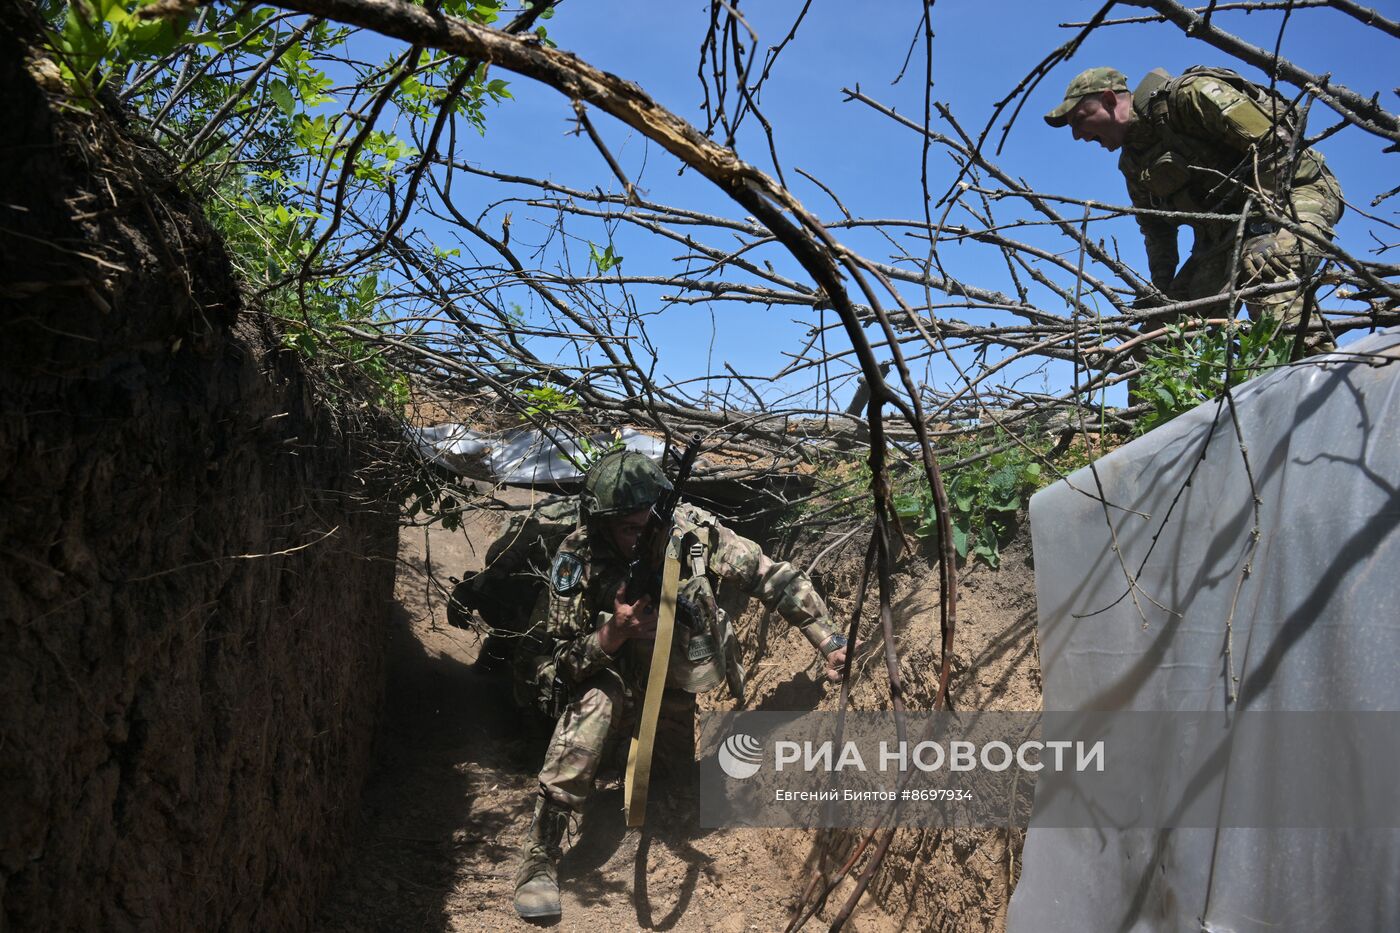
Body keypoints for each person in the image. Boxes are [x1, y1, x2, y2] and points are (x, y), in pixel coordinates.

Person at [511, 450, 851, 920]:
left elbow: (770, 577)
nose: (639, 534)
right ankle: (540, 858)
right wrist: (614, 633)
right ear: (602, 522)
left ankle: (634, 756)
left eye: (644, 523)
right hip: (599, 677)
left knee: (670, 789)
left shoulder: (692, 533)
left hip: (669, 682)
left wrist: (828, 639)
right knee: (595, 706)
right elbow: (558, 665)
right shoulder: (578, 555)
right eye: (626, 527)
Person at [1044, 66, 1344, 335]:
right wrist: (1160, 289)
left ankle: (1316, 374)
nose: (1077, 136)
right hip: (1224, 235)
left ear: (1109, 100)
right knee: (1157, 335)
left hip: (1294, 197)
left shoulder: (1190, 96)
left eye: (1080, 120)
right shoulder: (1133, 163)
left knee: (1267, 278)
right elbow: (1156, 228)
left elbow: (1274, 148)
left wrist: (1265, 229)